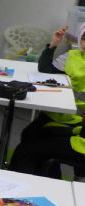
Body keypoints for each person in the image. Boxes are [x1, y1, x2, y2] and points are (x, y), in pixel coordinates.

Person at [9, 23, 85, 177]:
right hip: (61, 113)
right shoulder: (73, 56)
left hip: (77, 124)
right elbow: (45, 70)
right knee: (29, 134)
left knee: (28, 149)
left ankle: (30, 181)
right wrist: (53, 45)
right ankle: (49, 174)